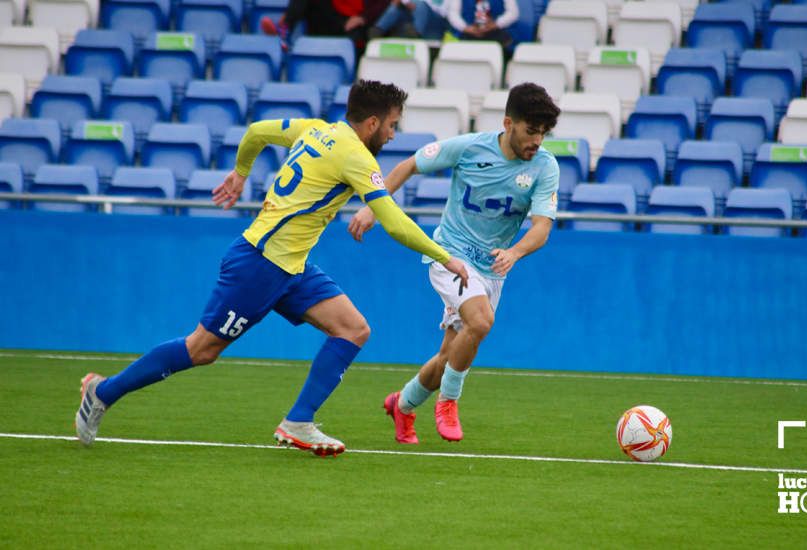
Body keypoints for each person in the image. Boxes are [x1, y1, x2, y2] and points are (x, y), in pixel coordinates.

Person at [75, 80, 469, 457]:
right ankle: (103, 392)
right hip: (260, 264)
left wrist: (241, 171)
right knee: (201, 349)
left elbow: (258, 131)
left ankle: (298, 421)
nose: (393, 135)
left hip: (291, 266)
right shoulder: (356, 157)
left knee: (353, 329)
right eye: (392, 126)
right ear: (372, 123)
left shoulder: (315, 129)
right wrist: (444, 256)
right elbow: (394, 220)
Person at [347, 82, 560, 443]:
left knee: (449, 355)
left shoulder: (544, 167)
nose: (537, 140)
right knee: (481, 321)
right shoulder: (468, 147)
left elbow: (542, 228)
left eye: (543, 133)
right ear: (508, 123)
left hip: (493, 268)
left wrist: (515, 252)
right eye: (530, 131)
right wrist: (372, 207)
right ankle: (447, 402)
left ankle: (403, 404)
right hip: (450, 254)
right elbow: (408, 165)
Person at [260, 0, 389, 52]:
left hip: (359, 26)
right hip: (332, 19)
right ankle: (284, 30)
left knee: (356, 35)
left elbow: (384, 4)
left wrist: (363, 17)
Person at [447, 0, 518, 53]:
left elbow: (513, 13)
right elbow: (453, 14)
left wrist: (496, 24)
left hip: (497, 36)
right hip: (468, 37)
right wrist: (466, 28)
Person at [368, 0, 452, 40]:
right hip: (413, 16)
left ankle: (415, 33)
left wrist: (416, 4)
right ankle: (377, 30)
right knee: (396, 6)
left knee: (421, 5)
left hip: (435, 21)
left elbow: (444, 11)